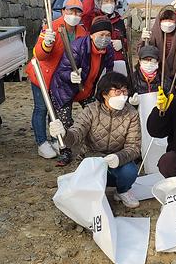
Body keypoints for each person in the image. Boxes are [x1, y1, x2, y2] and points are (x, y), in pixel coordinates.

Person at [49, 72, 142, 208]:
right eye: (117, 91)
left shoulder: (131, 114)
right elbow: (76, 135)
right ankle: (96, 190)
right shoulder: (91, 111)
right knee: (88, 196)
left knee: (130, 171)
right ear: (104, 94)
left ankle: (122, 190)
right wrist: (63, 134)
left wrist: (118, 157)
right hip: (92, 160)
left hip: (117, 163)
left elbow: (134, 147)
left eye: (124, 91)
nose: (122, 96)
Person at [26, 0, 87, 159]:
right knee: (41, 108)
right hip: (43, 75)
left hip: (62, 79)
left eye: (77, 12)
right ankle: (41, 142)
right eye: (70, 11)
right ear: (63, 11)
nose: (74, 15)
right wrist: (46, 43)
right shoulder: (50, 27)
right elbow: (39, 54)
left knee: (56, 109)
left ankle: (55, 138)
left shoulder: (82, 32)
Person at [50, 16, 115, 166]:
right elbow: (62, 71)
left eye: (108, 35)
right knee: (65, 122)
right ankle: (64, 151)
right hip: (64, 89)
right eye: (101, 35)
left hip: (86, 89)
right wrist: (70, 75)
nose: (104, 39)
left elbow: (109, 70)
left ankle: (91, 147)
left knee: (96, 115)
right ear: (92, 35)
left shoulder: (108, 49)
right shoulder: (77, 47)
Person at [139, 5, 176, 93]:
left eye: (171, 20)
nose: (167, 23)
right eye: (164, 20)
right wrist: (143, 40)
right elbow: (143, 52)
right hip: (157, 75)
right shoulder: (153, 33)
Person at [82, 0, 129, 75]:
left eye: (112, 1)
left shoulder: (119, 21)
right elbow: (85, 12)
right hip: (96, 61)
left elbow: (127, 41)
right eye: (106, 0)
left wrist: (122, 43)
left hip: (116, 63)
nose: (109, 3)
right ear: (100, 2)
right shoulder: (94, 19)